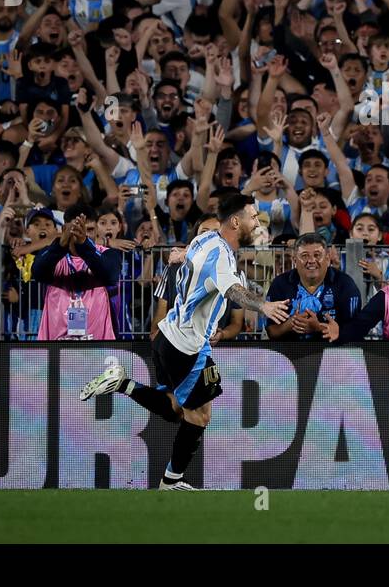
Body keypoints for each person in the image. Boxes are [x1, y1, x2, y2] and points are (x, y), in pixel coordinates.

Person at [79, 194, 289, 490]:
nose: (257, 223)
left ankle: (121, 383)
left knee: (176, 408)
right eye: (253, 217)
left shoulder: (206, 241)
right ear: (235, 221)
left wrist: (180, 255)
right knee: (200, 415)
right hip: (187, 346)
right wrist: (264, 306)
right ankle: (172, 480)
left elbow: (192, 249)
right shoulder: (223, 259)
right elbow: (234, 291)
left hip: (168, 335)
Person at [31, 205, 120, 340]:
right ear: (64, 229)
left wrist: (84, 245)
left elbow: (110, 275)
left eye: (89, 229)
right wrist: (60, 245)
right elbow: (38, 272)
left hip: (96, 348)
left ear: (96, 230)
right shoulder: (54, 256)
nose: (83, 234)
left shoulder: (106, 254)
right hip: (56, 345)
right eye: (76, 229)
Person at [265, 232, 362, 340]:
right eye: (304, 256)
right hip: (290, 353)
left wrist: (319, 328)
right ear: (295, 260)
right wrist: (289, 325)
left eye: (317, 255)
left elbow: (356, 332)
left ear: (327, 258)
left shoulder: (345, 285)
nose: (311, 261)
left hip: (333, 354)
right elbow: (271, 332)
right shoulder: (280, 284)